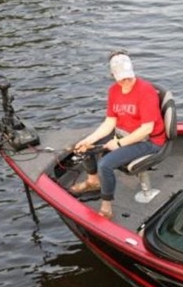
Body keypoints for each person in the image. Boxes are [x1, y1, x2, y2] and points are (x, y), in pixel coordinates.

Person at [70, 50, 166, 219]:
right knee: (86, 147)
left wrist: (119, 144)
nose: (126, 81)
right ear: (113, 75)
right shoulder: (114, 91)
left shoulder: (146, 91)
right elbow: (110, 122)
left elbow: (147, 129)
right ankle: (93, 182)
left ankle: (106, 207)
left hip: (148, 141)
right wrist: (89, 139)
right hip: (124, 133)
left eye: (128, 76)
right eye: (121, 78)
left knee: (105, 165)